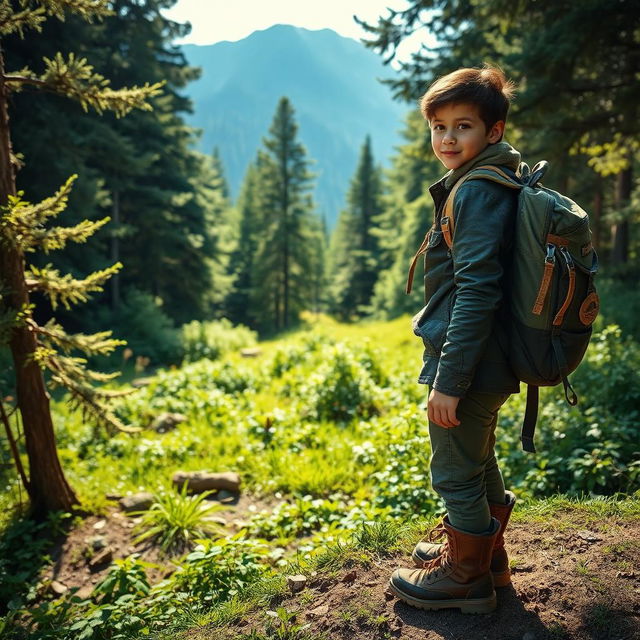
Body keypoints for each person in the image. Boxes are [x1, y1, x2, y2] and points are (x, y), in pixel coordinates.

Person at [388, 66, 520, 614]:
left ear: (492, 131)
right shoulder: (489, 177)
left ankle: (465, 578)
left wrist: (449, 381)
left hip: (470, 359)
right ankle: (489, 559)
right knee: (477, 457)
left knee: (453, 468)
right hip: (491, 356)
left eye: (462, 126)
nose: (446, 139)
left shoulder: (476, 191)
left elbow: (476, 291)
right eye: (438, 127)